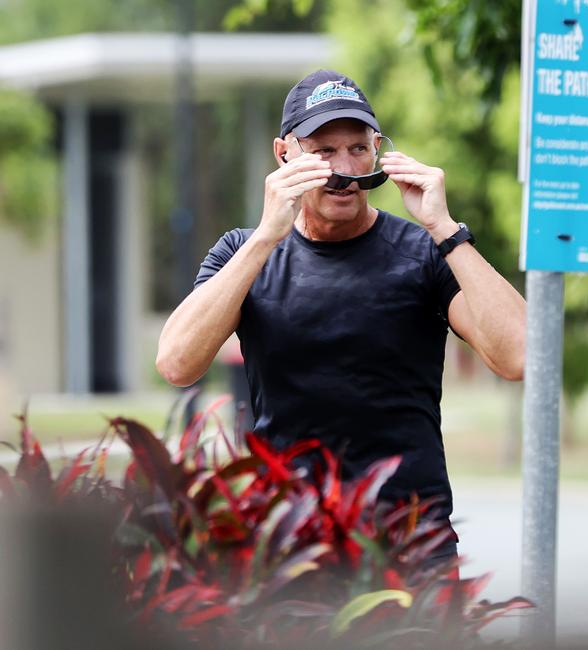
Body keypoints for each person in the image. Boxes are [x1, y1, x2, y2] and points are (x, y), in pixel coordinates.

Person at [156, 70, 526, 563]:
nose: (344, 168)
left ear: (378, 150)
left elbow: (521, 357)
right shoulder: (241, 252)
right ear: (284, 154)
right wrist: (267, 236)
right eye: (323, 151)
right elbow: (177, 364)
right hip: (289, 543)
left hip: (409, 541)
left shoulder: (426, 252)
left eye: (357, 148)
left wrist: (445, 227)